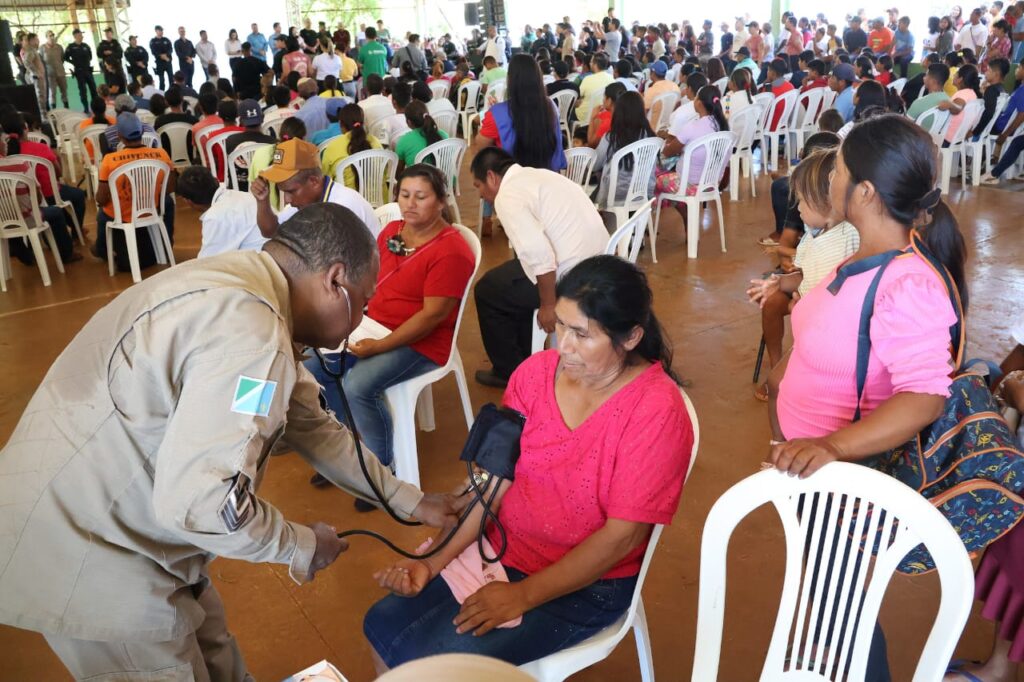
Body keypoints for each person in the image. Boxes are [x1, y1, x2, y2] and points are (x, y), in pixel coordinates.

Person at [0, 195, 461, 679]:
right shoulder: (251, 339)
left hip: (116, 517)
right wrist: (302, 545)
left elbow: (311, 424)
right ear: (335, 281)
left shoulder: (243, 285)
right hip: (91, 554)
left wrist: (410, 502)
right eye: (363, 302)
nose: (359, 317)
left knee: (215, 651)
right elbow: (205, 506)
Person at [365, 253, 693, 670]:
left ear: (630, 338)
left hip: (587, 584)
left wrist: (523, 596)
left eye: (582, 334)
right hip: (506, 547)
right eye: (561, 326)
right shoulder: (535, 374)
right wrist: (433, 562)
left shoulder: (656, 412)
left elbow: (622, 539)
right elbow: (495, 483)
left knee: (438, 666)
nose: (564, 347)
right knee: (381, 623)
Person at [767, 113, 969, 682]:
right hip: (813, 470)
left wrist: (831, 447)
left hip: (843, 479)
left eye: (837, 170)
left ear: (864, 191)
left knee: (843, 615)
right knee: (832, 601)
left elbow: (924, 395)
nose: (827, 180)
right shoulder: (855, 256)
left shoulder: (905, 283)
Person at [305, 164, 475, 479]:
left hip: (422, 342)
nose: (410, 203)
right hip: (375, 325)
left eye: (420, 196)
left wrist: (380, 346)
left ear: (440, 202)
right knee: (316, 368)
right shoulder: (392, 231)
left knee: (358, 384)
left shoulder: (451, 251)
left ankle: (380, 467)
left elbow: (431, 317)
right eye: (404, 194)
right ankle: (352, 446)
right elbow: (368, 277)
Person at [470, 148, 607, 388]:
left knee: (487, 291)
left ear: (491, 177)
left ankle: (509, 372)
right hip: (600, 264)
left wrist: (548, 304)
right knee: (507, 280)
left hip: (571, 276)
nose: (482, 195)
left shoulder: (507, 195)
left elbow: (539, 255)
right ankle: (525, 358)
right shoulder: (541, 176)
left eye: (479, 186)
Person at [748, 142, 860, 399]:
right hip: (809, 323)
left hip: (827, 336)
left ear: (829, 203)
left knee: (799, 389)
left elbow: (837, 299)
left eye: (803, 201)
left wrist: (801, 307)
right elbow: (804, 273)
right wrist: (779, 283)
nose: (797, 207)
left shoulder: (846, 241)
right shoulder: (814, 234)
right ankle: (780, 371)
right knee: (783, 382)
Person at [91, 112, 177, 271]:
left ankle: (102, 250)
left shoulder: (110, 160)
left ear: (119, 136)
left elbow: (102, 199)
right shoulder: (162, 155)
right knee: (168, 202)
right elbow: (170, 188)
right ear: (142, 132)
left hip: (123, 215)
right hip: (152, 209)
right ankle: (167, 244)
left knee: (102, 214)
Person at [251, 138, 378, 239]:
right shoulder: (304, 202)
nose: (287, 199)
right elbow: (272, 232)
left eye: (291, 191)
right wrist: (262, 201)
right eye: (284, 192)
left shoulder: (342, 208)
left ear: (314, 181)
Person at [0, 112, 83, 263]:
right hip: (46, 196)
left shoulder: (7, 158)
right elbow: (57, 174)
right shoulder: (40, 149)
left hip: (7, 214)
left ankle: (21, 245)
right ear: (26, 128)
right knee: (75, 198)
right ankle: (71, 244)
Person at [654, 85, 728, 223]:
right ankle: (689, 220)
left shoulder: (692, 127)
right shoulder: (723, 126)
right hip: (712, 183)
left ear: (699, 103)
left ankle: (648, 225)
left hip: (689, 184)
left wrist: (679, 147)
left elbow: (668, 152)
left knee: (655, 177)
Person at [593, 90, 656, 229]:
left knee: (594, 186)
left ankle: (608, 232)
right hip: (643, 191)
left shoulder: (611, 137)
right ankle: (634, 232)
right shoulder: (650, 137)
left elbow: (595, 164)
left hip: (615, 194)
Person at [980, 59, 1024, 183]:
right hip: (1004, 125)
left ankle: (988, 169)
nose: (1016, 70)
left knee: (979, 125)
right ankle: (989, 163)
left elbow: (1022, 114)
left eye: (1019, 67)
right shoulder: (1020, 87)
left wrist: (1005, 134)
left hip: (1003, 127)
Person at [321, 103, 384, 189]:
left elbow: (326, 181)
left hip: (344, 202)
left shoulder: (332, 147)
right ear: (363, 122)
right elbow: (385, 173)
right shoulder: (376, 142)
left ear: (340, 124)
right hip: (381, 201)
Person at [394, 100, 448, 172]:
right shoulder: (444, 135)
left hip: (420, 182)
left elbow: (398, 174)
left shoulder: (403, 141)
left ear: (409, 122)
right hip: (445, 181)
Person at [937, 63, 981, 144]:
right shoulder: (972, 93)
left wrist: (948, 104)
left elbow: (958, 108)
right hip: (959, 137)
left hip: (947, 138)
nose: (953, 75)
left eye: (956, 74)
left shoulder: (962, 94)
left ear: (960, 79)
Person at [65, 29, 98, 112]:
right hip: (79, 71)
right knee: (83, 91)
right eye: (79, 35)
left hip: (88, 70)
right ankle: (86, 108)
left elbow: (90, 56)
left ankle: (95, 107)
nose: (81, 36)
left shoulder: (86, 46)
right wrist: (74, 63)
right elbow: (65, 57)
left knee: (93, 89)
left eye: (82, 35)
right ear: (75, 36)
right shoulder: (71, 47)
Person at [42, 31, 68, 109]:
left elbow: (62, 58)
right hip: (50, 75)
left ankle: (66, 107)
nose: (52, 37)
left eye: (53, 35)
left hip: (60, 72)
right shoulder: (42, 48)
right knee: (52, 92)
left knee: (64, 91)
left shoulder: (59, 47)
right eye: (50, 35)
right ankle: (54, 109)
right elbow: (40, 61)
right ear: (46, 37)